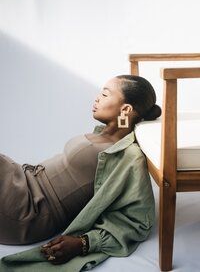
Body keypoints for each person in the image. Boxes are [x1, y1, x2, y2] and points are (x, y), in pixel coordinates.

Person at [0, 74, 161, 271]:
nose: (97, 98)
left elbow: (137, 220)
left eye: (105, 94)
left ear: (125, 109)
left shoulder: (127, 154)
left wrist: (83, 243)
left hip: (29, 210)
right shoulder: (102, 133)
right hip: (21, 180)